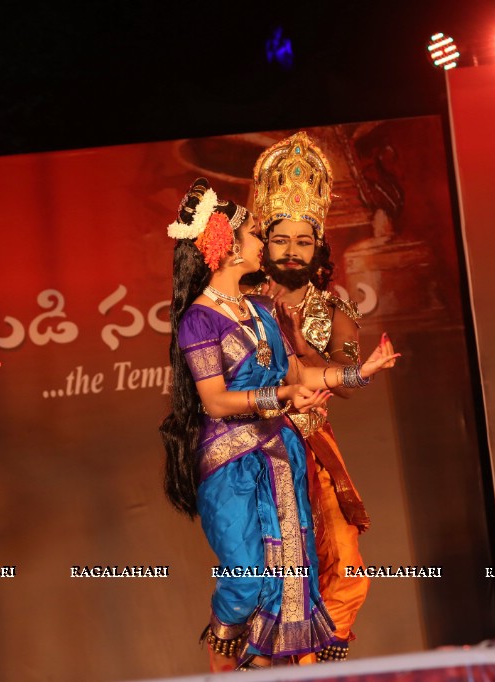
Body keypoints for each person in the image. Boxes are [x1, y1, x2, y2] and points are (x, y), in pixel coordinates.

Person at [159, 179, 397, 670]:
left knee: (288, 579)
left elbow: (299, 374)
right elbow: (215, 402)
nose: (263, 243)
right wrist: (283, 396)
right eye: (255, 234)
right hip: (231, 458)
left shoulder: (262, 310)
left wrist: (360, 372)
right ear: (224, 247)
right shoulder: (198, 321)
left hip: (280, 455)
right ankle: (228, 644)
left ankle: (263, 666)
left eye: (298, 239)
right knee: (247, 577)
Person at [243, 131, 374, 662]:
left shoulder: (335, 312)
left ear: (318, 245)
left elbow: (350, 381)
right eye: (282, 240)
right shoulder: (238, 306)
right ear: (265, 242)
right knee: (263, 566)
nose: (292, 252)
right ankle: (265, 662)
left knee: (342, 563)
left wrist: (300, 350)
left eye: (303, 241)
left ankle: (322, 662)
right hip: (252, 446)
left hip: (314, 447)